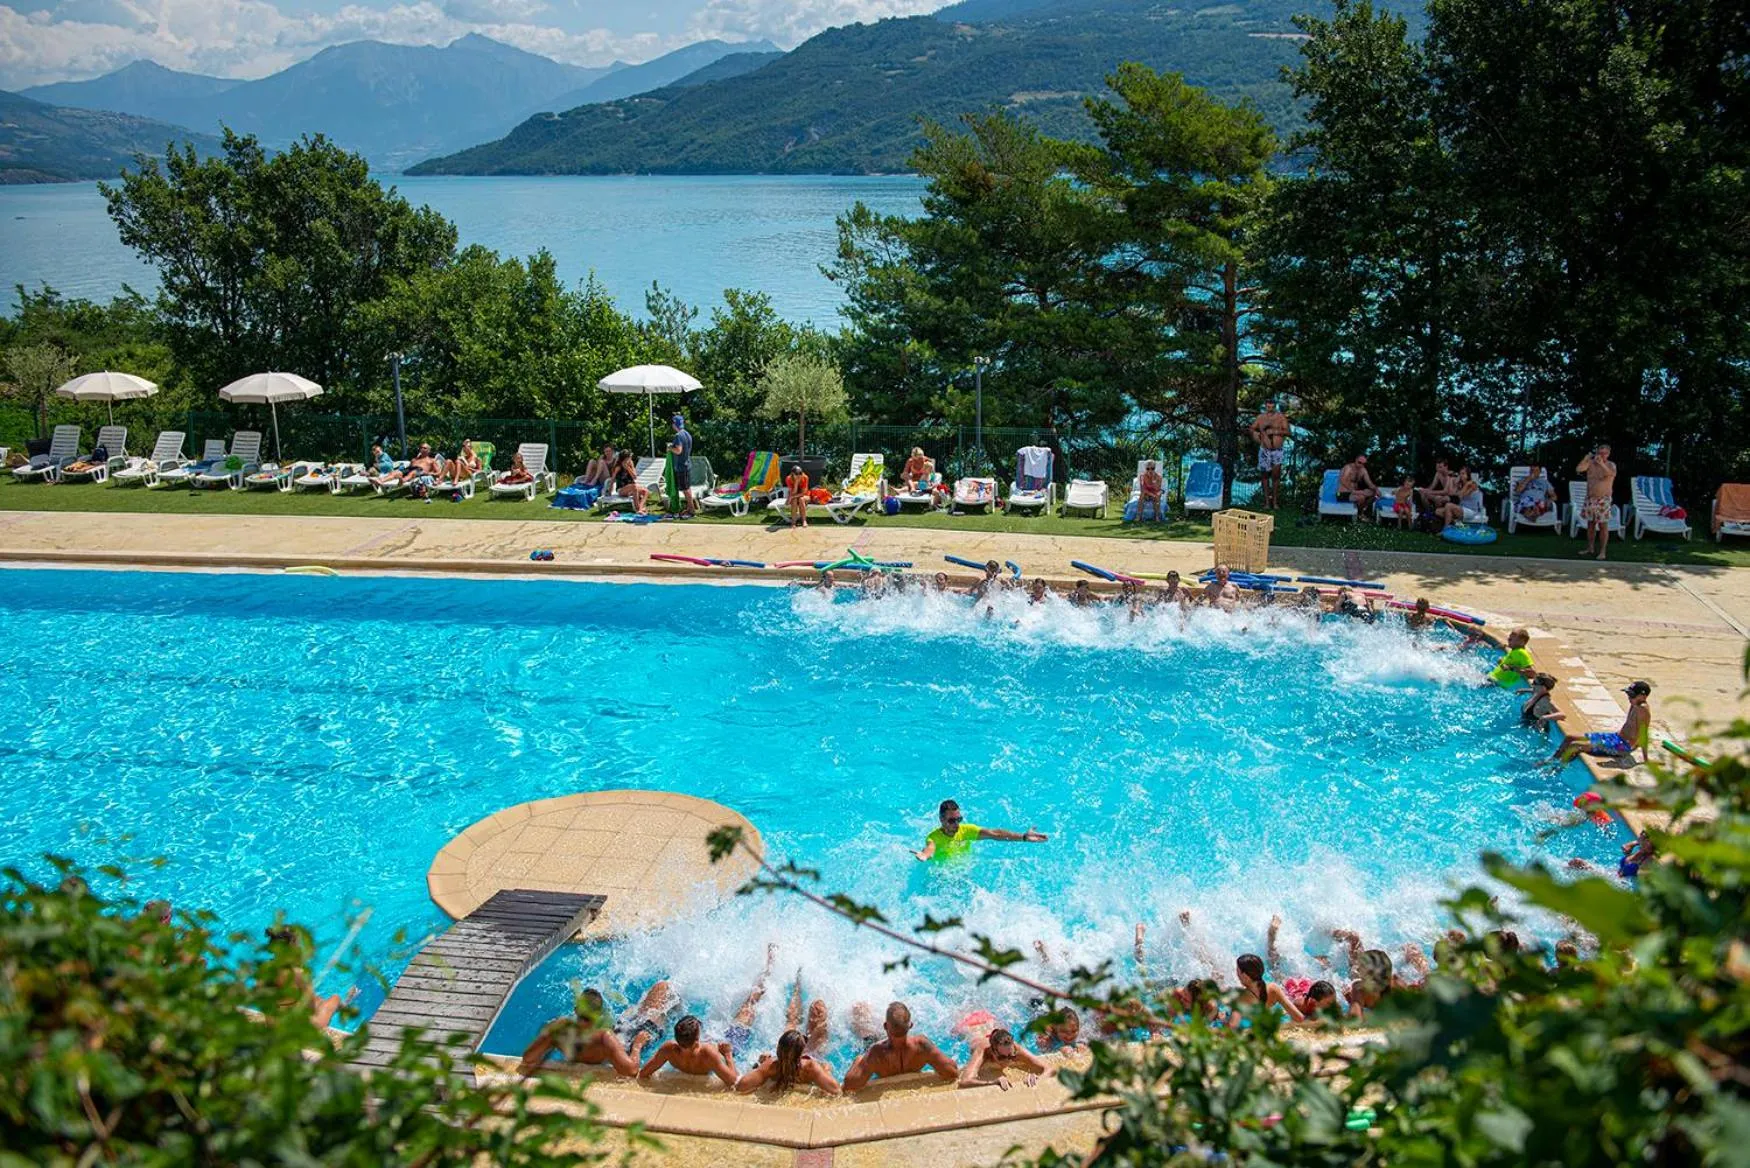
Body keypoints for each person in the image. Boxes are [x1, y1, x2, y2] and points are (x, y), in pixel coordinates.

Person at [518, 987, 650, 1077]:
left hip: (611, 1043)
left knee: (634, 1013)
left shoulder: (559, 1029)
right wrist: (638, 1044)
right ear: (599, 1014)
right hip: (623, 1044)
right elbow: (631, 1071)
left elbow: (528, 1058)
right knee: (652, 1010)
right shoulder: (605, 1037)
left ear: (576, 1010)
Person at [841, 1001, 959, 1090]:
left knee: (862, 1023)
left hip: (881, 1049)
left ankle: (862, 1009)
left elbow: (849, 1086)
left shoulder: (875, 1052)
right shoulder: (922, 1045)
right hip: (904, 1047)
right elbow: (952, 1072)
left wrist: (859, 1060)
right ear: (911, 1025)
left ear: (885, 1026)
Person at [264, 925, 351, 1029]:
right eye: (297, 943)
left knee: (315, 999)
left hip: (273, 1024)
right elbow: (311, 1007)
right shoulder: (298, 973)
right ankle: (344, 1003)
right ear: (292, 944)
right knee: (334, 999)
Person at [1551, 680, 1652, 765]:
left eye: (1632, 695)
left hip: (1621, 746)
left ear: (1643, 696)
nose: (1629, 698)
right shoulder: (1635, 704)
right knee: (1570, 738)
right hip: (1615, 737)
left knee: (1575, 746)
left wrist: (1645, 759)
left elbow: (1644, 734)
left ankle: (1556, 769)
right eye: (1628, 694)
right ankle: (1551, 760)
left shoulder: (1643, 710)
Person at [913, 798, 1047, 862]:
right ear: (941, 820)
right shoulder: (934, 837)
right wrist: (924, 855)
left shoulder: (966, 830)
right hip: (941, 876)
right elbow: (930, 848)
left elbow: (995, 834)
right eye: (951, 821)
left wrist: (1023, 837)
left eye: (958, 819)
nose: (956, 825)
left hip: (962, 873)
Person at [636, 1013, 739, 1087]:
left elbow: (643, 1073)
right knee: (743, 1017)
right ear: (697, 1039)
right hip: (726, 1048)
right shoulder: (708, 1053)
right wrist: (727, 1054)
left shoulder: (668, 1049)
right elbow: (733, 1081)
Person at [734, 1028, 842, 1095]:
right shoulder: (810, 1067)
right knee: (820, 1032)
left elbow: (741, 1086)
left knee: (792, 1023)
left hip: (789, 1055)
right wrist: (826, 1071)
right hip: (810, 1057)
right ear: (801, 1054)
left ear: (778, 1049)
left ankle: (796, 993)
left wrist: (760, 1066)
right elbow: (836, 1090)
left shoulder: (771, 1066)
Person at [959, 1027, 1050, 1090]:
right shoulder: (983, 1052)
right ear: (992, 1051)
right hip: (971, 1028)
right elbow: (964, 1081)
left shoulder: (1016, 1049)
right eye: (1002, 1057)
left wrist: (1039, 1078)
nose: (1008, 1060)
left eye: (1011, 1056)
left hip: (992, 1027)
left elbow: (1049, 1069)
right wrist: (992, 1082)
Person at [1233, 953, 1305, 1024]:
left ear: (1245, 975)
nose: (1237, 974)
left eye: (1238, 971)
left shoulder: (1241, 997)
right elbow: (1299, 1018)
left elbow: (1232, 1025)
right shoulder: (1273, 988)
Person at [1577, 444, 1617, 560]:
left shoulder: (1610, 465)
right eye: (1600, 453)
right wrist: (1586, 458)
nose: (1602, 455)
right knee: (1591, 524)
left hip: (1603, 499)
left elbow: (1611, 474)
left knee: (1603, 525)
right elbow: (1579, 469)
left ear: (1608, 454)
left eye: (1604, 453)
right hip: (1590, 498)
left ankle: (1603, 551)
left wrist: (1601, 464)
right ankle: (1590, 548)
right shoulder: (1590, 463)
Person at [1250, 399, 1289, 509]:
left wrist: (1275, 432)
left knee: (1276, 476)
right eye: (1268, 406)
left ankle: (1275, 502)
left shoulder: (1281, 417)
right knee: (1265, 476)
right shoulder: (1261, 418)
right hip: (1264, 450)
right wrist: (1256, 435)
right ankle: (1267, 502)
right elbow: (1252, 428)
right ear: (1265, 406)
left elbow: (1287, 432)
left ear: (1275, 406)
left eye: (1272, 407)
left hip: (1277, 450)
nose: (1270, 408)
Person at [666, 415, 695, 517]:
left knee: (685, 489)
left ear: (675, 424)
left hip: (681, 466)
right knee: (687, 488)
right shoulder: (687, 434)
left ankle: (691, 510)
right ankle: (689, 508)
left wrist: (670, 448)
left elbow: (678, 450)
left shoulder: (678, 435)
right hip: (687, 464)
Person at [784, 462, 809, 529]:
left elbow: (804, 493)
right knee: (794, 500)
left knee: (801, 499)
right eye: (797, 473)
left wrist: (792, 497)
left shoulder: (805, 477)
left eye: (800, 473)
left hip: (805, 495)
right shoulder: (788, 479)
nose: (799, 475)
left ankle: (804, 520)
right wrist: (796, 483)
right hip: (794, 495)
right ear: (792, 473)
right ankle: (793, 522)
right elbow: (793, 492)